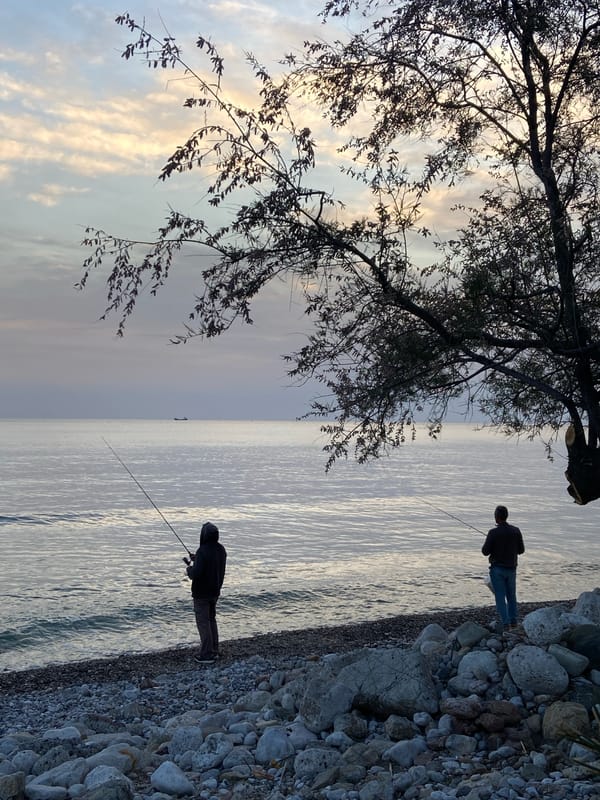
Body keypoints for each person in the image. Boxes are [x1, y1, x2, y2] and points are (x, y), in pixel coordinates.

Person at [186, 521, 227, 664]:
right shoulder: (221, 549)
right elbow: (212, 565)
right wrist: (197, 560)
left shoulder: (202, 550)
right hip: (215, 591)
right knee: (211, 620)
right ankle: (214, 650)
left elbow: (195, 574)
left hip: (201, 593)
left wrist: (189, 569)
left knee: (203, 623)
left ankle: (206, 654)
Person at [482, 505, 525, 632]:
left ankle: (505, 623)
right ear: (506, 516)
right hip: (512, 568)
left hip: (497, 569)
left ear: (496, 518)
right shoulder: (516, 531)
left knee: (500, 596)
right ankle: (513, 622)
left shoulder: (493, 533)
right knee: (511, 596)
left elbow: (485, 551)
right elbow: (521, 550)